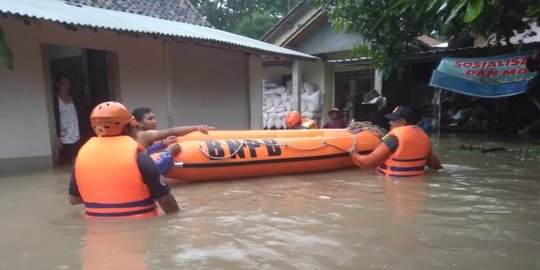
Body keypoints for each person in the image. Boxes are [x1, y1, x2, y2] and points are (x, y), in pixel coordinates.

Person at [68, 101, 179, 218]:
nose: (136, 132)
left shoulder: (81, 159)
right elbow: (166, 201)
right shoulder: (140, 157)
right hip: (139, 229)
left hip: (97, 230)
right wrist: (176, 217)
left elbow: (73, 200)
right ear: (126, 128)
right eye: (134, 127)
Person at [348, 106, 442, 176]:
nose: (390, 122)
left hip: (392, 183)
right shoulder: (423, 137)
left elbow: (369, 162)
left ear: (402, 122)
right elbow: (435, 165)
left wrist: (354, 153)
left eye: (393, 120)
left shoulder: (392, 139)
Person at [131, 107, 213, 174]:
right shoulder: (145, 134)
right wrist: (197, 127)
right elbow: (173, 131)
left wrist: (162, 144)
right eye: (150, 119)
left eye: (154, 118)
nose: (154, 121)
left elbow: (146, 152)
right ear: (140, 123)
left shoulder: (138, 135)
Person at [53, 73, 81, 164]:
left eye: (68, 83)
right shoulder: (55, 99)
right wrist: (56, 136)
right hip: (63, 136)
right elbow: (54, 118)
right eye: (63, 83)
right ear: (58, 84)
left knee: (76, 160)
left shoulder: (74, 98)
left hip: (76, 135)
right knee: (65, 161)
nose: (66, 85)